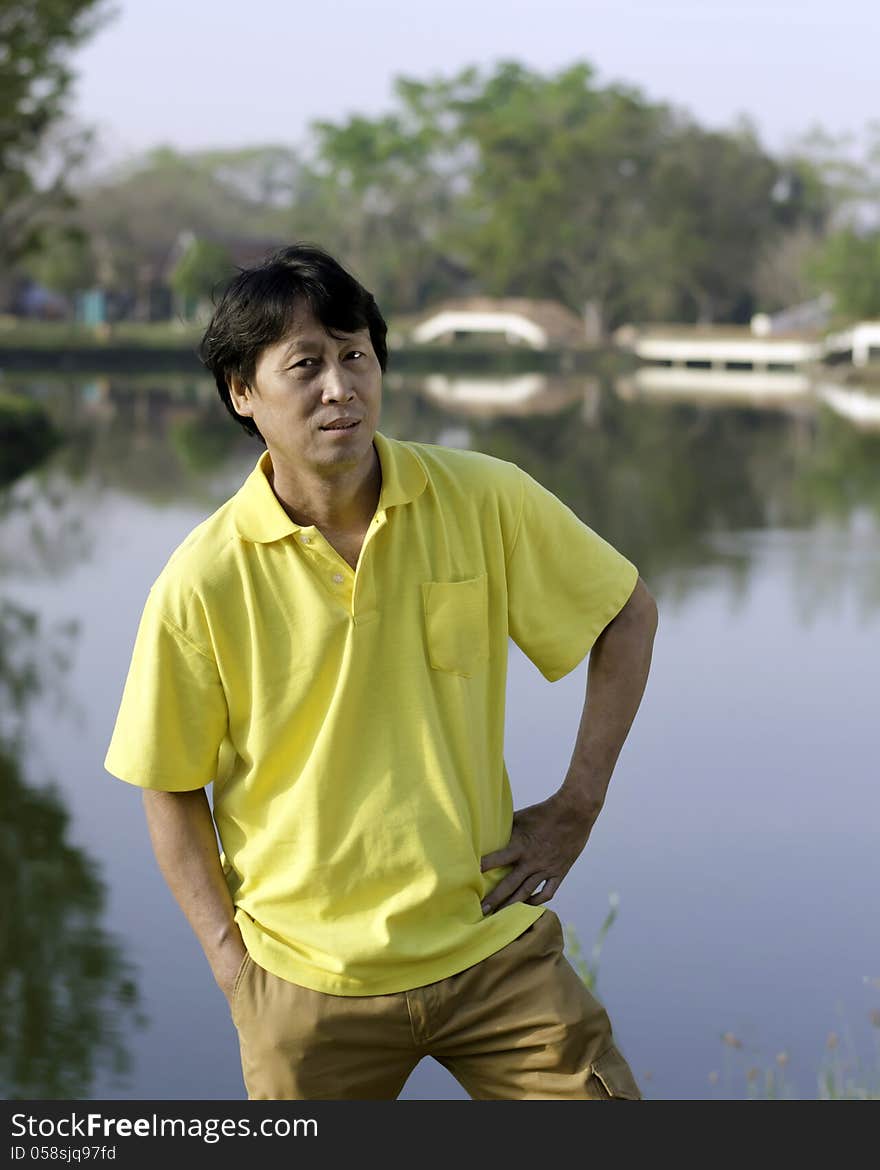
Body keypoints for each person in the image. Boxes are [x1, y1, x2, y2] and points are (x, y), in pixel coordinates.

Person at [104, 243, 658, 1101]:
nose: (341, 387)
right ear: (241, 393)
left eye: (356, 355)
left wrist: (578, 803)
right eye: (307, 365)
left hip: (490, 948)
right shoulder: (203, 577)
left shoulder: (482, 498)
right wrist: (232, 965)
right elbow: (168, 786)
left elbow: (624, 613)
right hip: (305, 981)